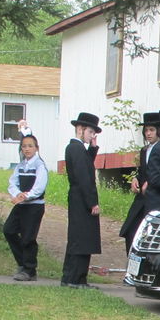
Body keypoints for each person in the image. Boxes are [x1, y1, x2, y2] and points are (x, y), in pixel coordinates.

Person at [61, 111, 102, 287]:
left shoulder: (78, 149)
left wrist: (93, 148)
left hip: (78, 197)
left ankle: (73, 277)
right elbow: (84, 177)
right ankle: (75, 278)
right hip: (81, 198)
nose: (92, 136)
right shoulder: (76, 148)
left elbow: (86, 165)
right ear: (80, 129)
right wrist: (92, 202)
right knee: (81, 237)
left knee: (81, 237)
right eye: (90, 132)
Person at [4, 133, 48, 281]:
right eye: (24, 146)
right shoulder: (21, 165)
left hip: (34, 206)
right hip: (21, 205)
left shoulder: (40, 165)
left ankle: (30, 270)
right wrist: (17, 194)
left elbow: (39, 187)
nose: (27, 149)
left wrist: (26, 195)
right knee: (9, 230)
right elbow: (12, 183)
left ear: (36, 148)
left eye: (30, 146)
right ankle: (22, 263)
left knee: (28, 237)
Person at [118, 111, 160, 252]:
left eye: (151, 130)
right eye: (146, 130)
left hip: (156, 197)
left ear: (159, 130)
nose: (148, 133)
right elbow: (143, 171)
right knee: (131, 230)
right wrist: (136, 178)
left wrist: (150, 182)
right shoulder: (144, 150)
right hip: (141, 198)